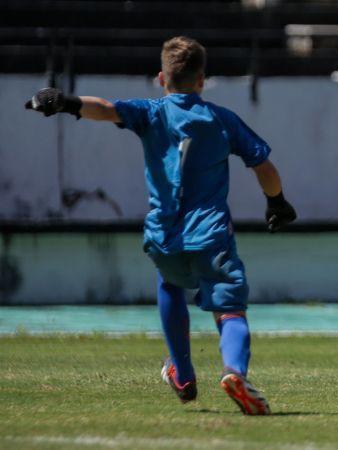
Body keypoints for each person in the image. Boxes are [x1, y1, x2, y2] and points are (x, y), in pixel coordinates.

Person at [24, 36, 297, 415]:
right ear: (202, 80)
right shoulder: (221, 119)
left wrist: (64, 101)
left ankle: (182, 375)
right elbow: (263, 166)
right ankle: (235, 372)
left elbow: (104, 109)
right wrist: (277, 202)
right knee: (229, 307)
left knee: (170, 283)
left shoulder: (151, 113)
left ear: (161, 78)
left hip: (163, 235)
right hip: (211, 235)